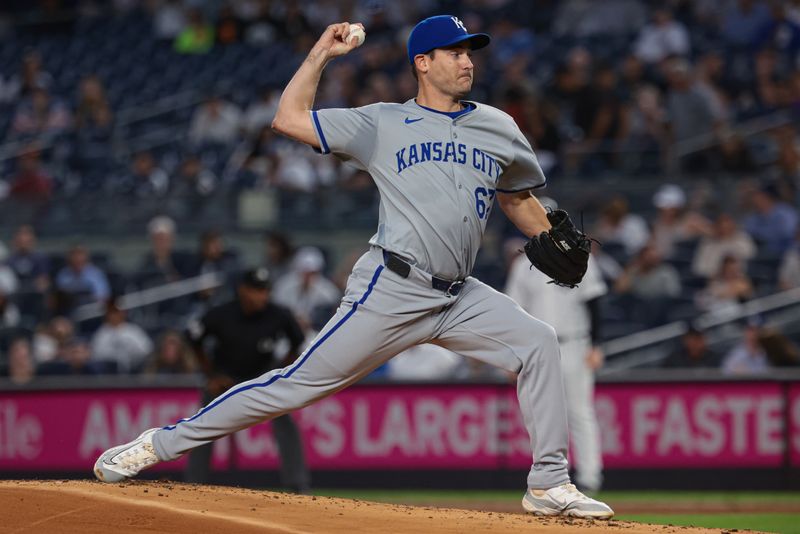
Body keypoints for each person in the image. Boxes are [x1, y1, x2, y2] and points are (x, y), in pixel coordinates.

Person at [93, 16, 614, 518]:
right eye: (454, 52)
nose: (466, 61)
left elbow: (517, 198)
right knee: (293, 385)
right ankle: (159, 444)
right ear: (423, 63)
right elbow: (288, 119)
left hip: (459, 296)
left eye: (469, 52)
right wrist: (322, 54)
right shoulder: (381, 121)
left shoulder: (498, 127)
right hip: (392, 287)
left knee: (539, 342)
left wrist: (548, 231)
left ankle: (548, 482)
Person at [182, 268, 309, 492]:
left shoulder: (278, 314)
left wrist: (280, 372)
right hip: (226, 380)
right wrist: (210, 374)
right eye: (257, 290)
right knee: (201, 426)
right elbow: (193, 338)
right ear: (243, 290)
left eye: (265, 290)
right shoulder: (222, 313)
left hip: (262, 380)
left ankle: (297, 486)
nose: (263, 296)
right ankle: (193, 485)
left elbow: (297, 341)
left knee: (286, 425)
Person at [506, 238, 607, 494]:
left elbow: (594, 301)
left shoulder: (579, 256)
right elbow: (513, 310)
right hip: (538, 348)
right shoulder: (523, 264)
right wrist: (512, 354)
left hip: (575, 342)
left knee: (579, 411)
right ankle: (553, 476)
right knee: (543, 413)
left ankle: (589, 476)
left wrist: (597, 345)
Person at [89, 299, 153, 374]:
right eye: (111, 312)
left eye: (116, 312)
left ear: (123, 313)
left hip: (134, 373)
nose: (113, 315)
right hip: (108, 376)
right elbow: (95, 356)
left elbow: (147, 350)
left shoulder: (133, 330)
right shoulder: (101, 333)